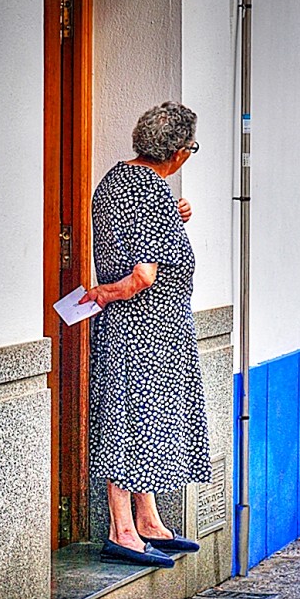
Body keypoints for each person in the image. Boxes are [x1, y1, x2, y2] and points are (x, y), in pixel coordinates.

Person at [81, 102, 213, 568]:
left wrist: (172, 216)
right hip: (149, 328)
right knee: (130, 426)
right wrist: (106, 292)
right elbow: (141, 276)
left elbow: (137, 234)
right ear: (177, 152)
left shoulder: (117, 182)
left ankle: (148, 519)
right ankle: (123, 530)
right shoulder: (151, 194)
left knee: (139, 425)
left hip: (138, 329)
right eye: (191, 148)